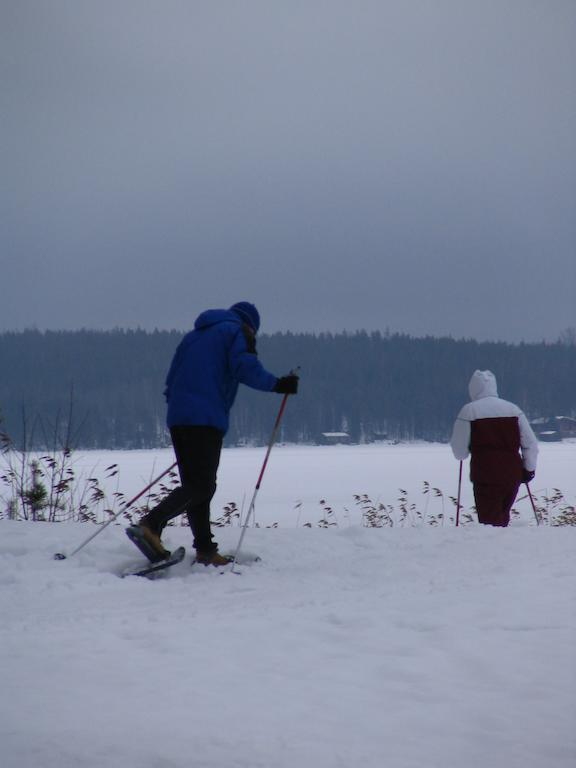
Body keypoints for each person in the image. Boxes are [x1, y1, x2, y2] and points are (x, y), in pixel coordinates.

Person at [127, 302, 299, 566]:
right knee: (202, 486)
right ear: (250, 325)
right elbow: (244, 367)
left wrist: (183, 410)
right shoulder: (237, 333)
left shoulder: (193, 336)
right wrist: (277, 384)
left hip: (178, 417)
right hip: (205, 418)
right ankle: (150, 524)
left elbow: (171, 379)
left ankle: (205, 550)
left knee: (195, 486)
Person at [450, 370, 538, 527]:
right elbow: (530, 444)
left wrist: (466, 451)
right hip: (512, 474)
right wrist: (529, 469)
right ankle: (505, 547)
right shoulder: (513, 410)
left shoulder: (469, 411)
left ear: (473, 389)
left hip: (485, 475)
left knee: (490, 523)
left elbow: (459, 452)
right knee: (502, 518)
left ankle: (495, 549)